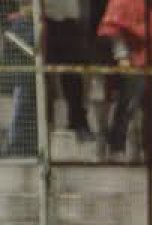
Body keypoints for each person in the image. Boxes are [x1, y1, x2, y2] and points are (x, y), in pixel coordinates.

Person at [98, 0, 152, 158]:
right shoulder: (123, 2)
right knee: (128, 106)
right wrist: (122, 56)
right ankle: (116, 148)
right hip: (135, 63)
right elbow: (115, 30)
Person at [44, 0, 94, 140]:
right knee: (43, 78)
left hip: (70, 23)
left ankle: (78, 121)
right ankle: (45, 125)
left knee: (73, 75)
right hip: (44, 21)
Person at [2, 1, 36, 156]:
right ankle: (14, 143)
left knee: (27, 109)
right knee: (20, 108)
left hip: (30, 76)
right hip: (23, 75)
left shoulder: (28, 23)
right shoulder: (17, 24)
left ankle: (26, 144)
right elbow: (31, 47)